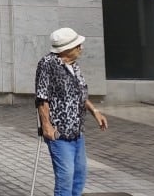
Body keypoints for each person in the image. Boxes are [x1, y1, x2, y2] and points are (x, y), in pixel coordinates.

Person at [35, 27, 108, 196]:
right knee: (66, 178)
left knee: (79, 176)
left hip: (77, 131)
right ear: (66, 49)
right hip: (59, 133)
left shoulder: (73, 66)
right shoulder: (47, 64)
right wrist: (47, 126)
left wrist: (95, 111)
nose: (81, 48)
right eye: (77, 45)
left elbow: (80, 94)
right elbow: (42, 98)